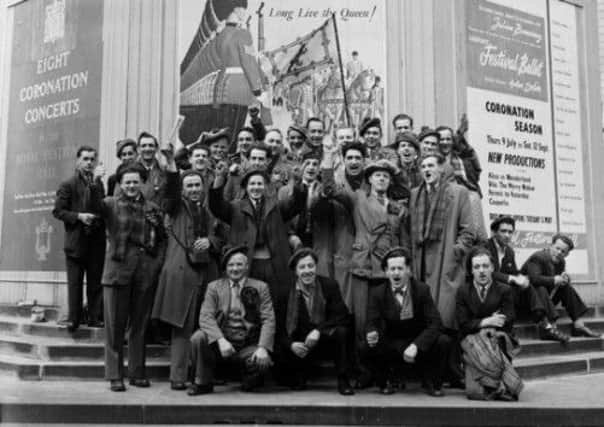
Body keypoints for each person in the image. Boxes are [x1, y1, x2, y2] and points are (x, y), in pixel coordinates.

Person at [322, 151, 406, 387]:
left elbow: (400, 239)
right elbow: (330, 189)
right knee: (361, 324)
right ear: (369, 179)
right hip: (361, 267)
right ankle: (361, 372)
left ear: (390, 181)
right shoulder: (358, 198)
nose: (381, 179)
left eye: (385, 176)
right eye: (377, 175)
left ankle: (384, 374)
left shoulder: (397, 208)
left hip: (387, 272)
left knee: (385, 323)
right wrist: (328, 163)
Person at [151, 153, 223, 391]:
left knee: (205, 327)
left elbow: (220, 235)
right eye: (189, 185)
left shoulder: (207, 208)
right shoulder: (175, 206)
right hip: (182, 274)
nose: (194, 189)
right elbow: (169, 192)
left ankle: (202, 376)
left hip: (206, 274)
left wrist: (211, 242)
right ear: (183, 189)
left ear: (203, 187)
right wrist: (172, 168)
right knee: (181, 328)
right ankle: (178, 377)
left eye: (197, 185)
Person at [208, 162, 307, 333]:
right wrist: (219, 179)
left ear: (266, 186)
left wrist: (297, 181)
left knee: (276, 308)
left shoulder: (276, 206)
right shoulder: (235, 207)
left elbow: (296, 205)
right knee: (250, 309)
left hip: (274, 266)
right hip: (248, 266)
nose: (256, 187)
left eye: (259, 183)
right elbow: (216, 206)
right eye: (252, 184)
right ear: (246, 187)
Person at [99, 162, 167, 392]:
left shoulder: (152, 207)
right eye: (126, 181)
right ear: (120, 183)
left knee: (139, 326)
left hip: (144, 274)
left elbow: (162, 239)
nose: (131, 185)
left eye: (135, 181)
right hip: (117, 273)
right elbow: (90, 207)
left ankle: (137, 372)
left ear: (142, 183)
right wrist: (95, 181)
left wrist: (155, 265)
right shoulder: (110, 204)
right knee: (115, 327)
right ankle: (114, 375)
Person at [188, 246, 275, 394]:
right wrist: (221, 340)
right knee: (198, 338)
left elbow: (269, 320)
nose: (235, 268)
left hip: (247, 343)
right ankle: (203, 382)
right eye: (231, 265)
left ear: (247, 266)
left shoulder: (261, 287)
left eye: (239, 264)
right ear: (226, 268)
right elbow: (205, 317)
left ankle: (250, 379)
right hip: (222, 344)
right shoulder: (214, 287)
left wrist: (262, 347)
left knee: (261, 364)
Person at [364, 247, 451, 396]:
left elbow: (436, 323)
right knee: (366, 344)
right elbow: (372, 321)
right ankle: (384, 382)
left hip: (417, 342)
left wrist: (416, 345)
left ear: (408, 270)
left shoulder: (422, 290)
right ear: (386, 272)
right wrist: (371, 332)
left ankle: (433, 383)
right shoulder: (377, 292)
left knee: (443, 341)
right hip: (393, 342)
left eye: (400, 268)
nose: (396, 273)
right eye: (392, 269)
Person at [280, 248, 354, 395]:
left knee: (341, 331)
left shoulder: (329, 285)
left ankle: (343, 379)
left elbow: (342, 315)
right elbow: (279, 327)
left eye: (310, 266)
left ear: (316, 267)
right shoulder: (285, 292)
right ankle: (299, 375)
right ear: (295, 271)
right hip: (300, 344)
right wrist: (291, 345)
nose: (307, 271)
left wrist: (318, 331)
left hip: (323, 340)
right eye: (302, 267)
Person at [456, 246, 523, 401]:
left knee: (496, 337)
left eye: (485, 266)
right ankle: (498, 386)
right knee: (474, 393)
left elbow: (509, 318)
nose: (481, 271)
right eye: (477, 267)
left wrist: (481, 324)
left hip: (498, 337)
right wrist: (488, 321)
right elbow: (463, 323)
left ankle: (499, 384)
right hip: (471, 342)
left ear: (492, 267)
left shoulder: (504, 289)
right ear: (471, 270)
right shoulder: (463, 292)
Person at [485, 217, 566, 342]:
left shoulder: (509, 251)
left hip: (506, 291)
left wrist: (521, 277)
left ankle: (544, 324)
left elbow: (513, 271)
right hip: (488, 291)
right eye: (503, 231)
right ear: (494, 232)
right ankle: (545, 325)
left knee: (533, 285)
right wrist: (512, 278)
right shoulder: (486, 247)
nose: (507, 235)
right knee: (518, 287)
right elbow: (487, 273)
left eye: (510, 232)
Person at [52, 146, 106, 332]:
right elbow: (58, 211)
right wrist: (79, 217)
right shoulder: (68, 184)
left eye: (92, 159)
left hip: (95, 242)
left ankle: (93, 318)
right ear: (78, 161)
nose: (89, 163)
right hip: (76, 242)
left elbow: (100, 208)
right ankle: (73, 320)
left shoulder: (99, 183)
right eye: (85, 159)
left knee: (95, 283)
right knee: (75, 283)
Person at [521, 234, 600, 338]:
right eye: (557, 248)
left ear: (567, 254)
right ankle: (550, 327)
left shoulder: (561, 261)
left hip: (544, 301)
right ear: (551, 246)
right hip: (527, 302)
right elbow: (533, 279)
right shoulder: (538, 257)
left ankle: (578, 325)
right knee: (540, 287)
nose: (559, 253)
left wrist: (564, 279)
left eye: (563, 251)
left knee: (566, 287)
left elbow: (558, 280)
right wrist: (554, 280)